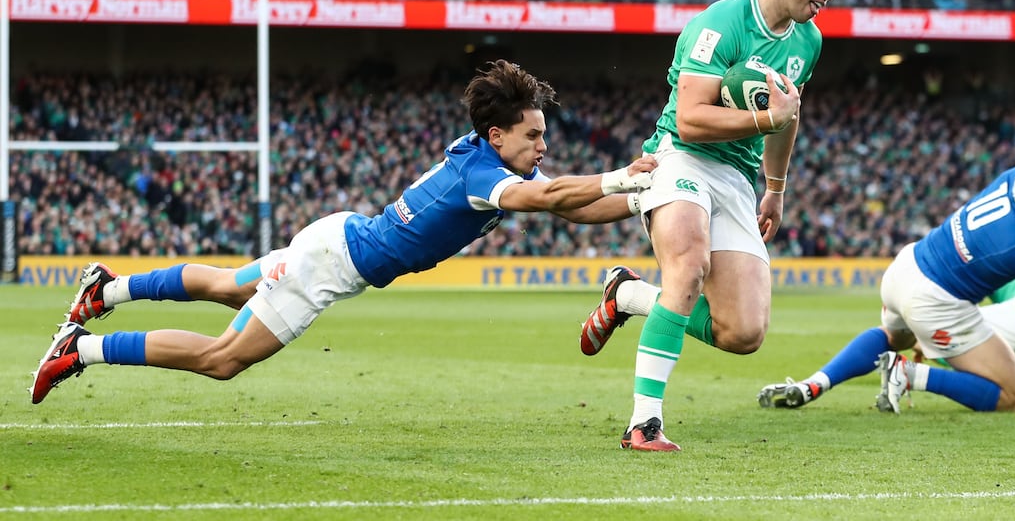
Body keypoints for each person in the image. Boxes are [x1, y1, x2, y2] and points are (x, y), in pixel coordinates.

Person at [31, 60, 657, 404]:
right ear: (498, 137)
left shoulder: (485, 157)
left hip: (335, 237)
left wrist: (636, 203)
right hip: (326, 266)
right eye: (534, 136)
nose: (544, 146)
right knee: (221, 360)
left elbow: (563, 206)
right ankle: (78, 350)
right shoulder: (487, 174)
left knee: (227, 285)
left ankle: (107, 290)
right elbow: (548, 195)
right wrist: (620, 177)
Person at [578, 0, 850, 451]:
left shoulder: (809, 42)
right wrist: (767, 120)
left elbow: (787, 116)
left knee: (743, 334)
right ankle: (644, 423)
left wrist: (776, 186)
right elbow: (693, 119)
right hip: (678, 155)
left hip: (737, 176)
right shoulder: (720, 23)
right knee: (689, 263)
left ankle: (629, 295)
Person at [754, 171, 1015, 414]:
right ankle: (909, 374)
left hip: (908, 264)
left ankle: (814, 384)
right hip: (937, 301)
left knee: (894, 336)